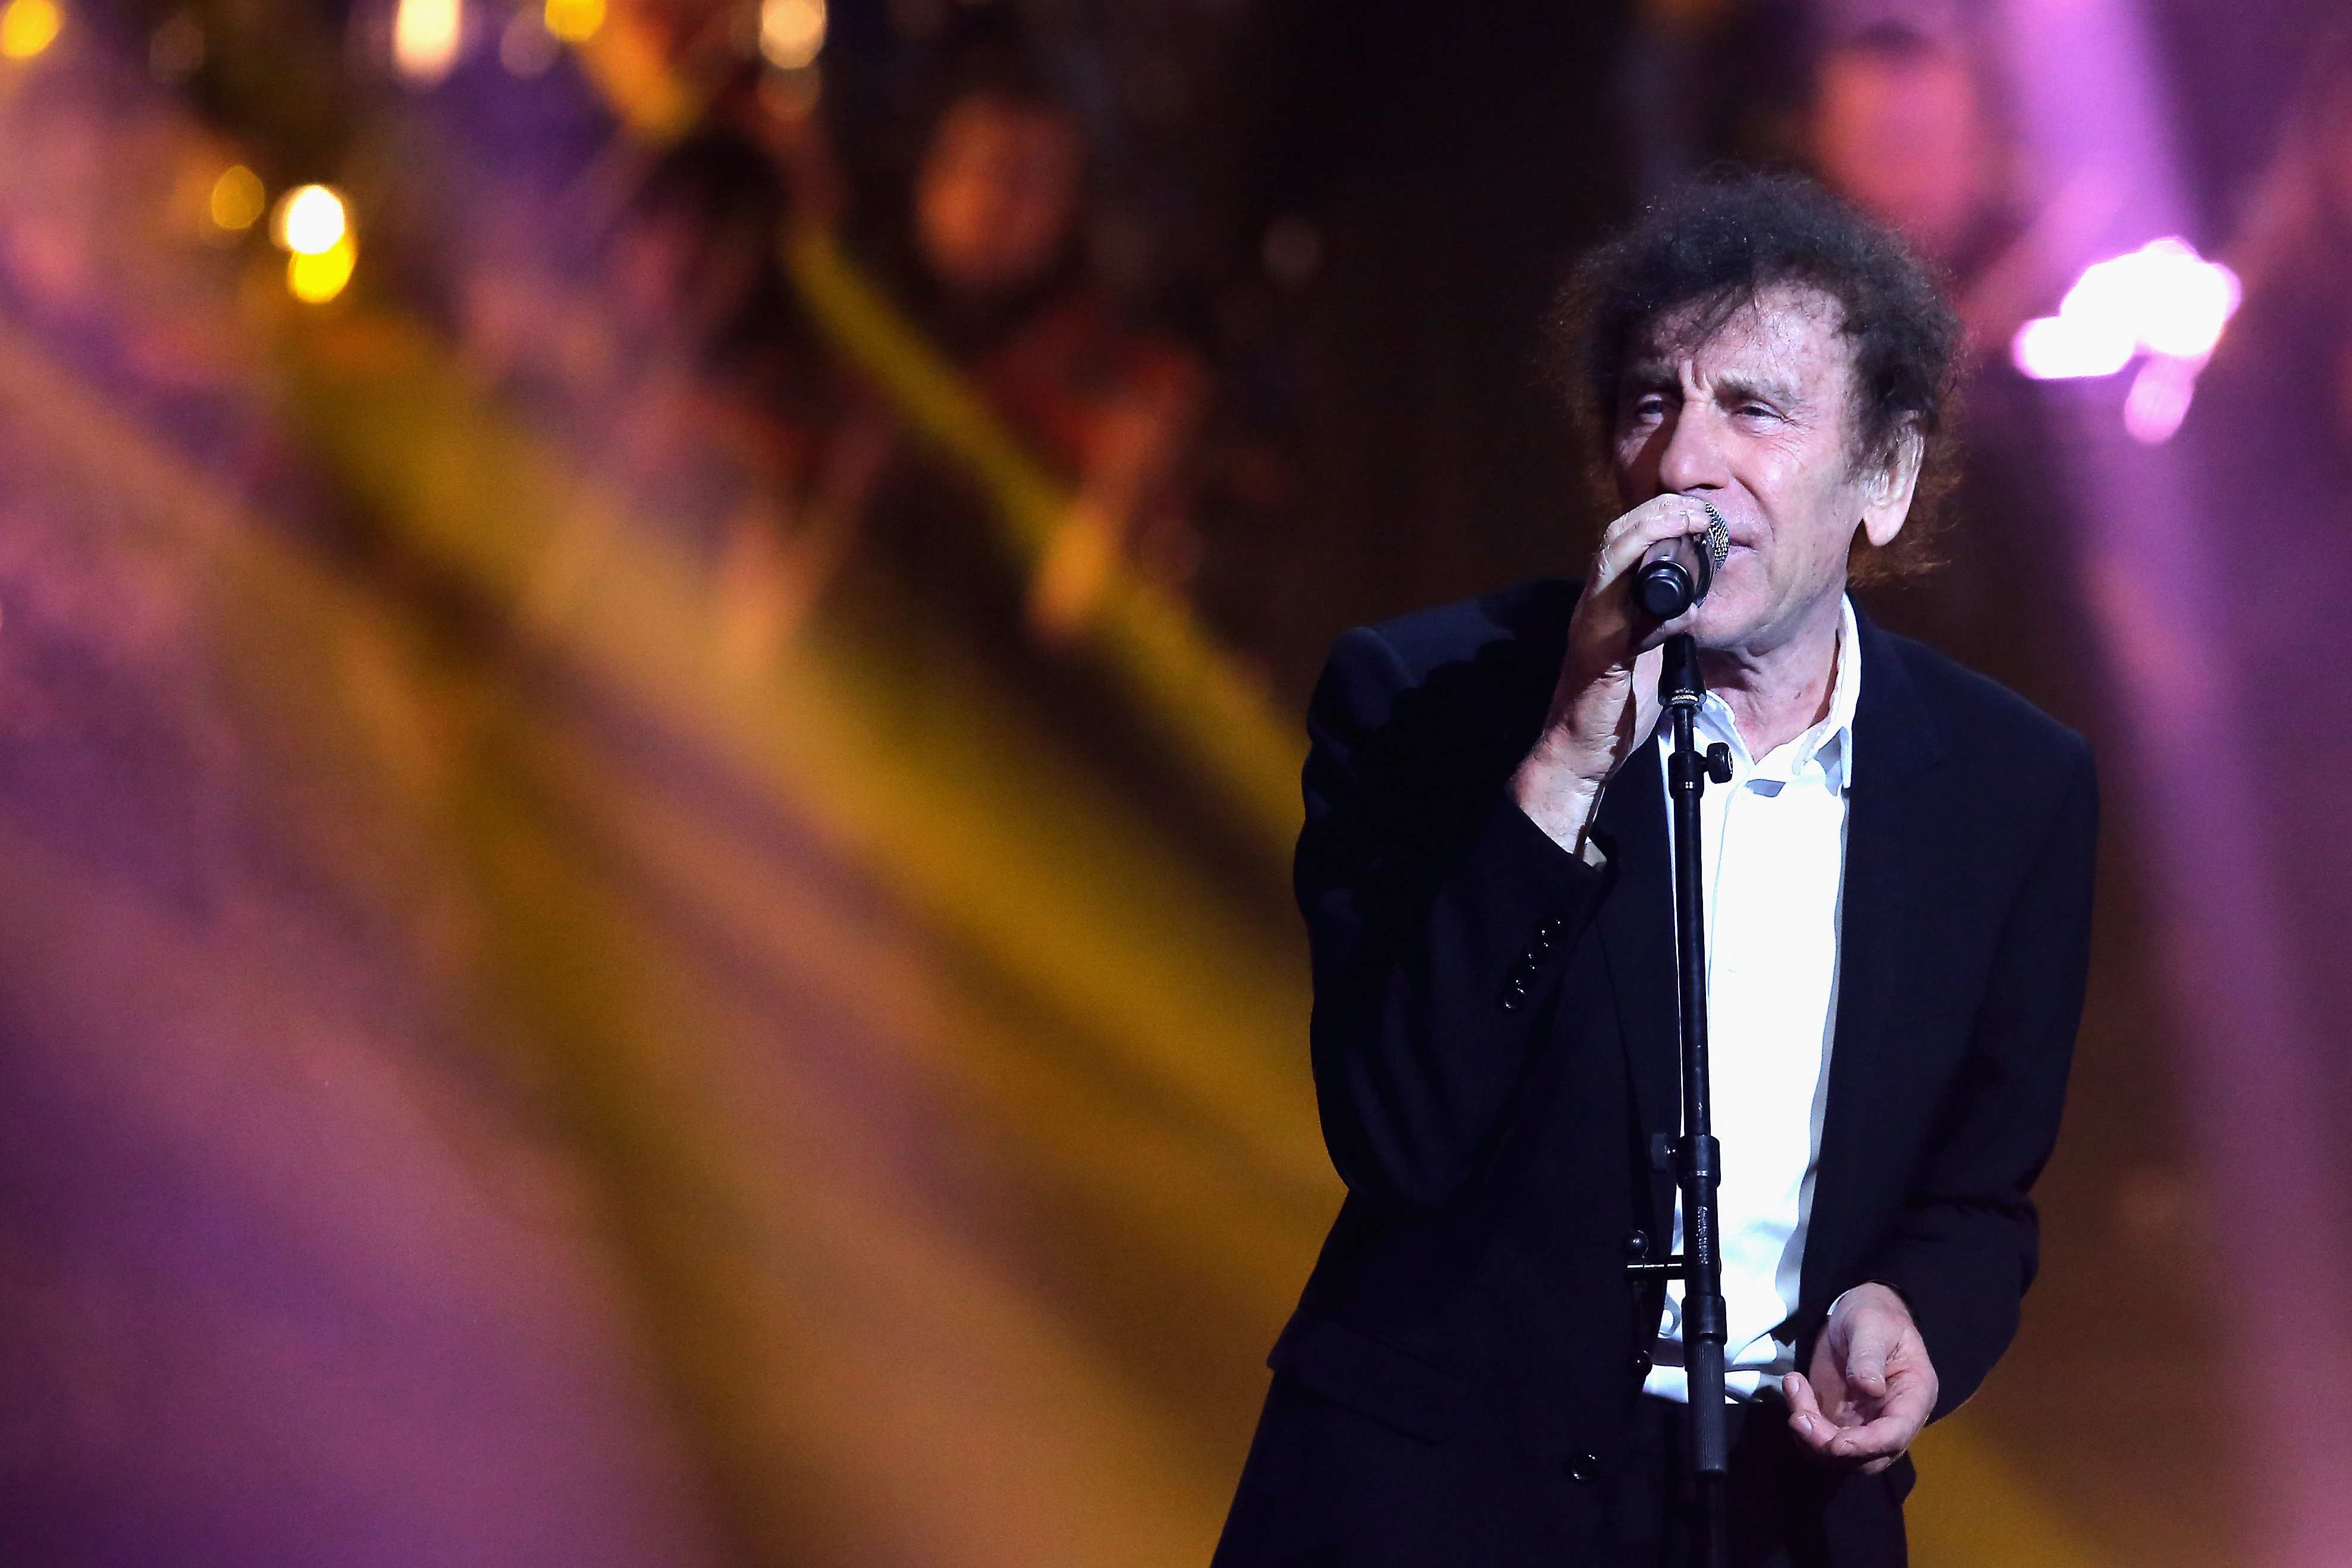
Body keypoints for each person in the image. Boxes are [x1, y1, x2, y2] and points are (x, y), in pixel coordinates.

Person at [1212, 173, 2096, 1567]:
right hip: (1438, 1502)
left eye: (1752, 407)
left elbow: (1982, 1197)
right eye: (1648, 403)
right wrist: (1562, 763)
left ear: (1886, 474)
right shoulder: (1432, 702)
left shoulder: (2012, 790)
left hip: (1776, 1510)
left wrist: (1918, 1314)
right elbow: (1398, 1132)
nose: (1685, 460)